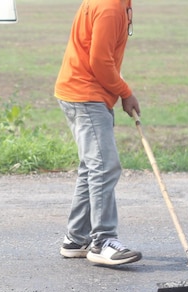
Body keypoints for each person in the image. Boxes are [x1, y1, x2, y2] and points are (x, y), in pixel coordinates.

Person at [55, 0, 142, 267]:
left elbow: (106, 56)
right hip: (85, 96)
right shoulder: (110, 7)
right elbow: (100, 61)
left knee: (91, 167)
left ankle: (77, 238)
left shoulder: (117, 4)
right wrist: (125, 92)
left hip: (82, 92)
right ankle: (103, 241)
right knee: (104, 167)